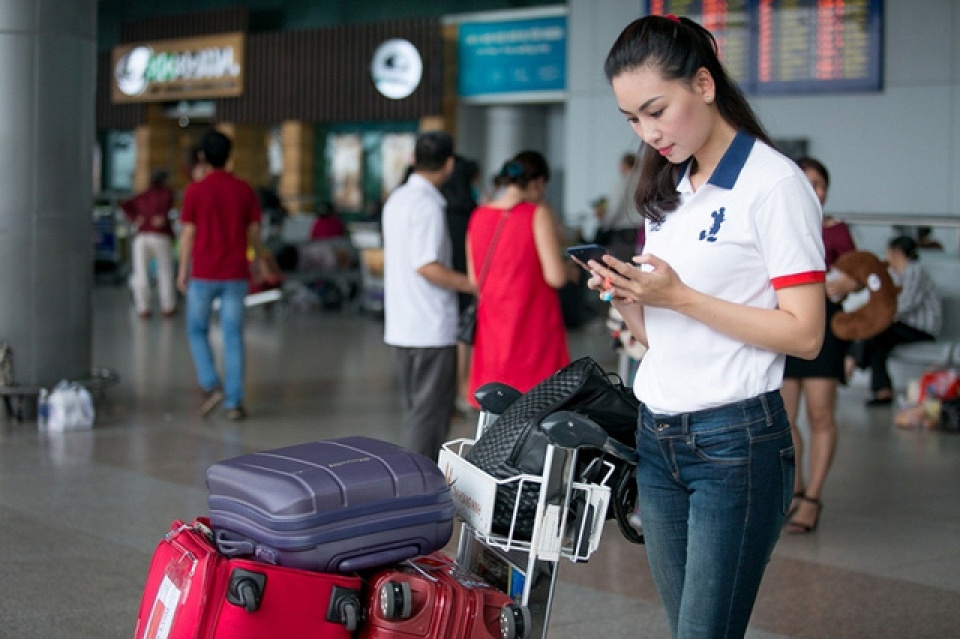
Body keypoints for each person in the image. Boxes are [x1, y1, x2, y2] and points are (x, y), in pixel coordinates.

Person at [588, 15, 826, 637]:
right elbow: (662, 336)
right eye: (632, 120)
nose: (648, 132)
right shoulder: (671, 190)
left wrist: (682, 296)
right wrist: (627, 296)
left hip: (735, 444)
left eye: (656, 110)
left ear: (704, 82)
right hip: (657, 436)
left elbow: (805, 333)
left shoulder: (774, 185)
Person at [382, 131, 474, 460]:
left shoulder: (397, 199)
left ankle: (415, 485)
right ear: (449, 164)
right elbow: (427, 266)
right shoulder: (428, 205)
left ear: (413, 159)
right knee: (428, 419)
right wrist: (473, 285)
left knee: (417, 411)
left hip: (402, 325)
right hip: (429, 327)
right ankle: (419, 488)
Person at [781, 157, 859, 534]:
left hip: (826, 324)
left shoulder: (837, 231)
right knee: (784, 416)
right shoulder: (781, 223)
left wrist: (849, 283)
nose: (817, 191)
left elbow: (861, 275)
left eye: (821, 184)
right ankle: (794, 490)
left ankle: (813, 496)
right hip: (785, 323)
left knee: (820, 414)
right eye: (809, 183)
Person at [466, 151, 570, 406]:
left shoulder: (478, 216)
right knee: (538, 410)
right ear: (536, 183)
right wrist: (572, 270)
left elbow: (473, 279)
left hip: (492, 333)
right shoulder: (536, 214)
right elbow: (555, 277)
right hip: (533, 332)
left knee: (495, 411)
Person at [177, 130, 265, 421]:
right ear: (229, 156)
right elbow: (253, 233)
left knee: (196, 330)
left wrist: (182, 270)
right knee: (233, 337)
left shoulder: (195, 191)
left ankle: (210, 384)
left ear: (203, 157)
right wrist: (257, 261)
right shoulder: (244, 190)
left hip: (203, 273)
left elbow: (188, 234)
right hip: (235, 274)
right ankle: (234, 404)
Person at [850, 235, 942, 405]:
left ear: (896, 252)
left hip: (920, 328)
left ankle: (853, 360)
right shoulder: (894, 275)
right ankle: (881, 390)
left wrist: (877, 315)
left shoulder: (915, 271)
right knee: (877, 341)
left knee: (876, 334)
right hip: (901, 326)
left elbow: (905, 304)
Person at [120, 169, 177, 318]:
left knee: (141, 273)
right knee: (165, 272)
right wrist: (162, 218)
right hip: (160, 236)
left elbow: (125, 204)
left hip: (141, 236)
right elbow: (166, 211)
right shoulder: (166, 194)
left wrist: (135, 218)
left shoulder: (143, 195)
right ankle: (167, 306)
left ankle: (143, 307)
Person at [595, 152, 641, 260]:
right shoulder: (644, 182)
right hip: (639, 232)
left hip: (623, 234)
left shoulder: (623, 183)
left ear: (624, 165)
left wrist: (604, 225)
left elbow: (614, 209)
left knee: (621, 269)